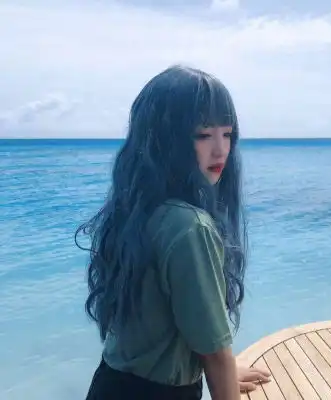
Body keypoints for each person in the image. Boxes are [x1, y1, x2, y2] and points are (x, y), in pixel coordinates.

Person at [76, 65, 270, 400]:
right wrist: (221, 373)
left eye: (227, 134)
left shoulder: (133, 211)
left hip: (110, 383)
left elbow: (158, 330)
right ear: (165, 140)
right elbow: (215, 354)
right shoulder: (190, 227)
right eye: (203, 135)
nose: (221, 150)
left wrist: (221, 369)